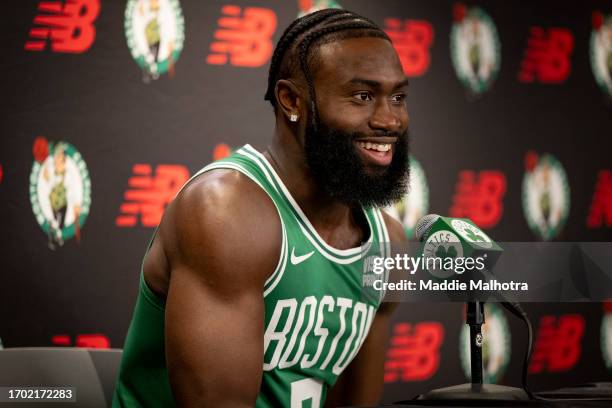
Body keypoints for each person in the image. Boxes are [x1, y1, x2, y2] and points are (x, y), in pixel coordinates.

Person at [113, 8, 410, 407]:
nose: (389, 119)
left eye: (398, 97)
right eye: (362, 96)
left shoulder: (387, 246)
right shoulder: (225, 213)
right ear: (291, 100)